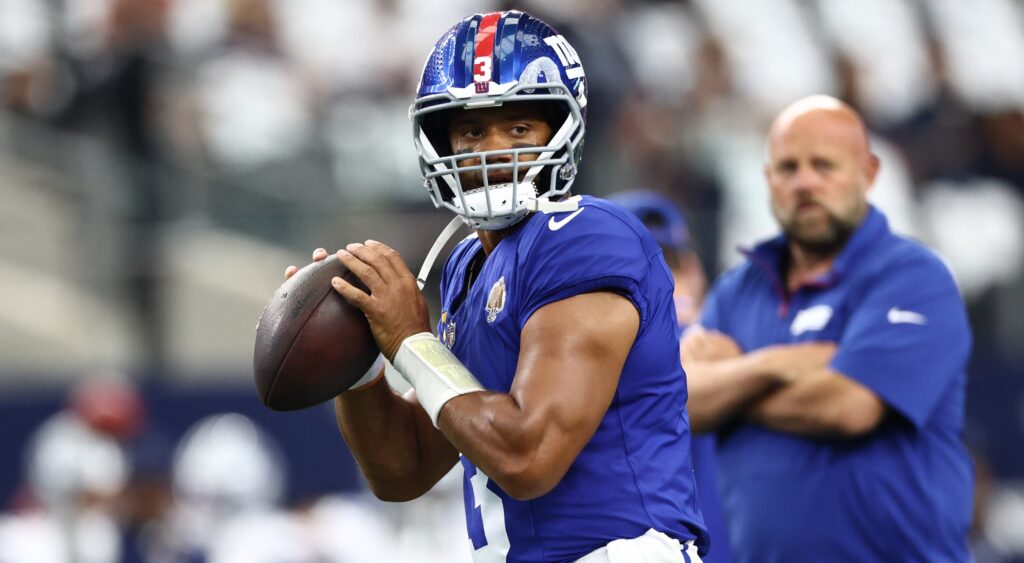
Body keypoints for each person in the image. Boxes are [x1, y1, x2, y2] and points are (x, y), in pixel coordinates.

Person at [285, 11, 708, 563]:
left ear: (562, 130)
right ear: (440, 143)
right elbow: (403, 468)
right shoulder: (467, 264)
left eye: (518, 129)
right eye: (471, 130)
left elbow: (528, 456)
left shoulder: (584, 235)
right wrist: (356, 358)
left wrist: (411, 341)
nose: (493, 151)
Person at [682, 95, 973, 562]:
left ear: (869, 172)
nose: (805, 183)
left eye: (824, 166)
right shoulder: (737, 290)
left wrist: (732, 382)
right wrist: (777, 364)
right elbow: (684, 402)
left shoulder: (914, 277)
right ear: (767, 178)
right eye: (788, 167)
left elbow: (849, 406)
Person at [610, 190, 731, 563]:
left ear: (695, 270)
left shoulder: (720, 338)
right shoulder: (594, 358)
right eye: (640, 266)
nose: (660, 280)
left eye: (672, 262)